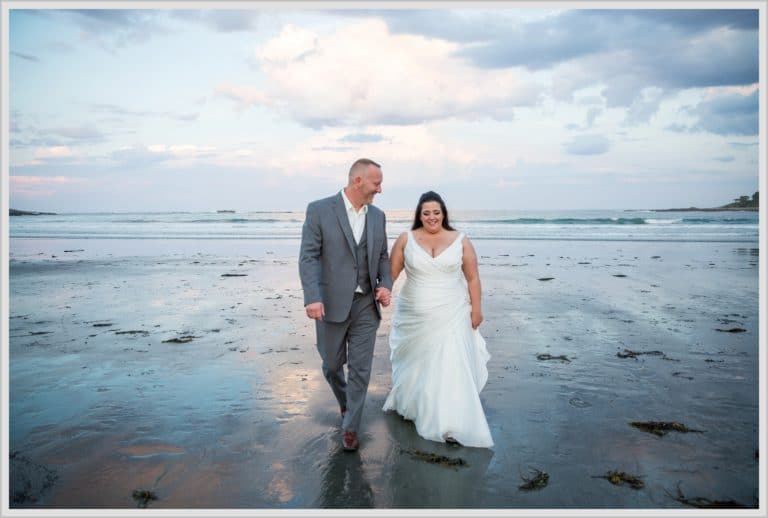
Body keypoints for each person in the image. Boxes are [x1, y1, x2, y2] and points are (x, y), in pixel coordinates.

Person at [382, 191, 493, 448]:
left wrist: (477, 309)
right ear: (419, 215)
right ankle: (416, 405)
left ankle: (449, 420)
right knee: (418, 364)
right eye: (426, 212)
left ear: (443, 213)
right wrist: (383, 292)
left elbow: (473, 278)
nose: (432, 217)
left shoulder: (460, 240)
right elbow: (391, 274)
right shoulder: (405, 239)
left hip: (452, 311)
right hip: (414, 315)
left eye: (436, 212)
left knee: (450, 364)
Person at [299, 158, 393, 452]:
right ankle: (344, 404)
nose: (380, 188)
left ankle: (351, 427)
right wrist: (312, 296)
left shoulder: (378, 216)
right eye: (376, 183)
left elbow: (382, 257)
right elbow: (309, 257)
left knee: (361, 370)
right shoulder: (319, 210)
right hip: (330, 304)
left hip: (366, 304)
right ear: (358, 182)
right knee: (330, 365)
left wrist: (386, 284)